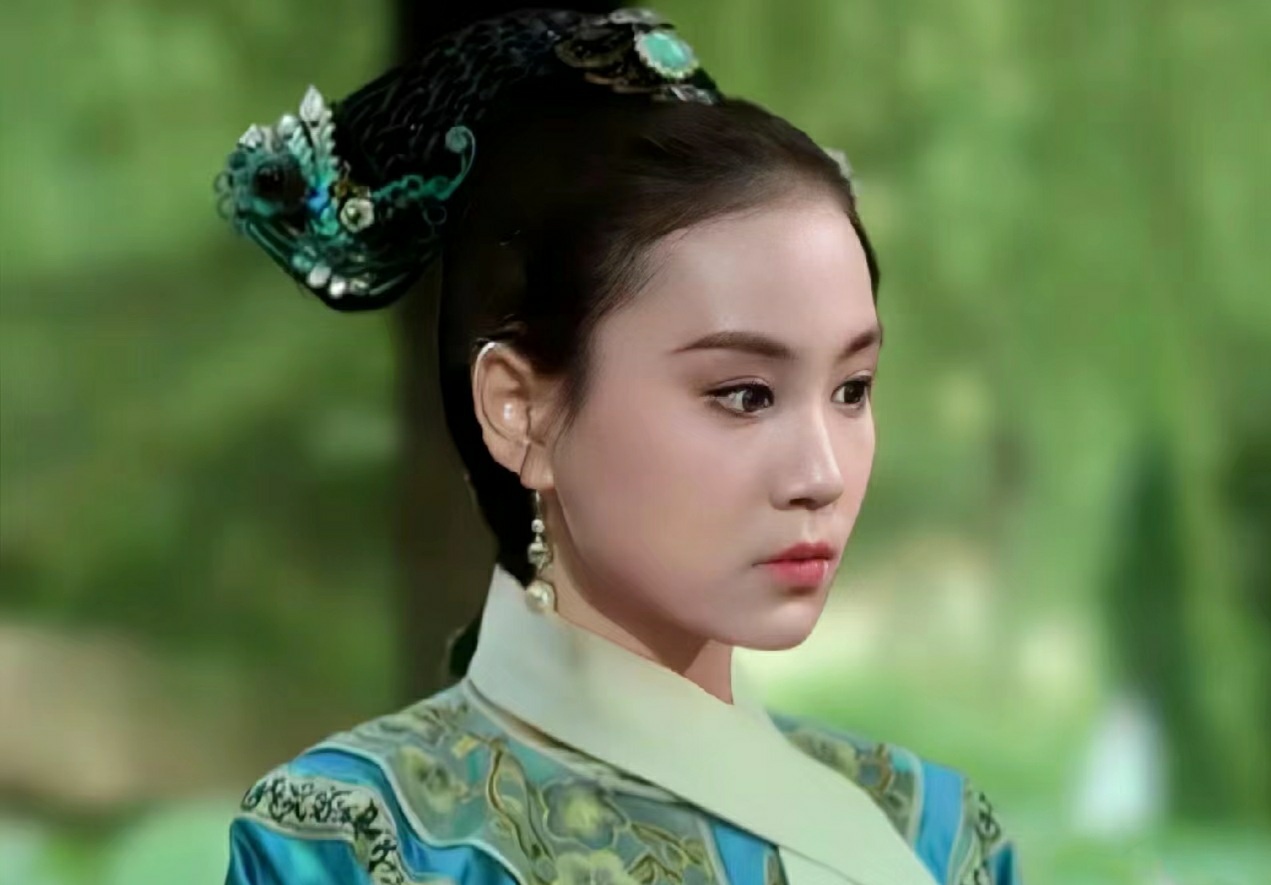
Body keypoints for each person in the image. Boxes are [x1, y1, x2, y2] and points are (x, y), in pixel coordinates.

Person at [215, 8, 1022, 885]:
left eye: (851, 389)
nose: (821, 475)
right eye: (745, 394)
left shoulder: (934, 833)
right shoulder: (359, 841)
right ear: (519, 411)